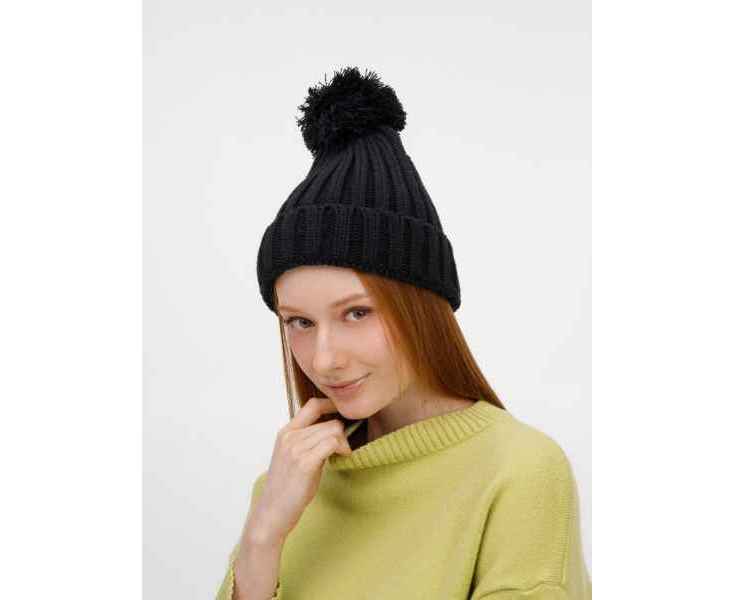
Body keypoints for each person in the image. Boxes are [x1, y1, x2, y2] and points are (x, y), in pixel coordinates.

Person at [214, 66, 591, 599]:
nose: (323, 360)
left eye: (356, 313)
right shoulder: (286, 486)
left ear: (422, 308)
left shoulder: (519, 471)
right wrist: (262, 537)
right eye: (300, 322)